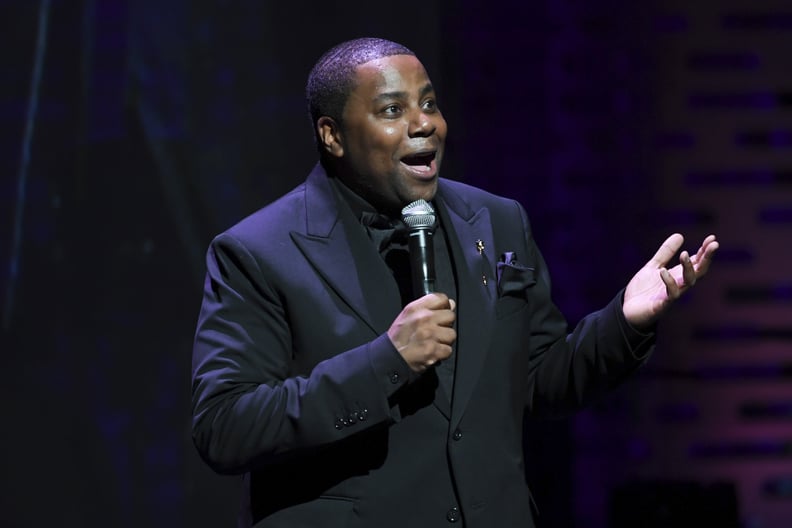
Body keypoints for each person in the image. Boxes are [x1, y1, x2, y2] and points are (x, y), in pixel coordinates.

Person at [190, 37, 718, 528]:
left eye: (430, 104)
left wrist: (622, 322)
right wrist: (386, 365)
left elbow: (537, 381)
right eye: (393, 111)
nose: (425, 125)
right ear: (332, 135)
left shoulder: (496, 219)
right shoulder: (259, 251)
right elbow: (226, 427)